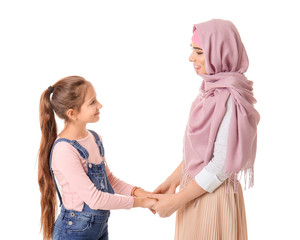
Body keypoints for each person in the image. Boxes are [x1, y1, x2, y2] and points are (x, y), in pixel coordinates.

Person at [148, 19, 260, 240]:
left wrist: (176, 202)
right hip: (196, 192)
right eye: (192, 50)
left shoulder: (230, 98)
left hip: (212, 197)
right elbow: (200, 152)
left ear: (221, 53)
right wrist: (173, 180)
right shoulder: (210, 91)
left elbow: (221, 166)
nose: (191, 58)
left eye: (199, 52)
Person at [38, 76, 156, 240]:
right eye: (92, 102)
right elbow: (95, 199)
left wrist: (142, 193)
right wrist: (141, 203)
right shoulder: (64, 150)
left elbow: (110, 181)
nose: (100, 105)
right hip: (74, 231)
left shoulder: (95, 138)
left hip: (98, 229)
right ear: (72, 114)